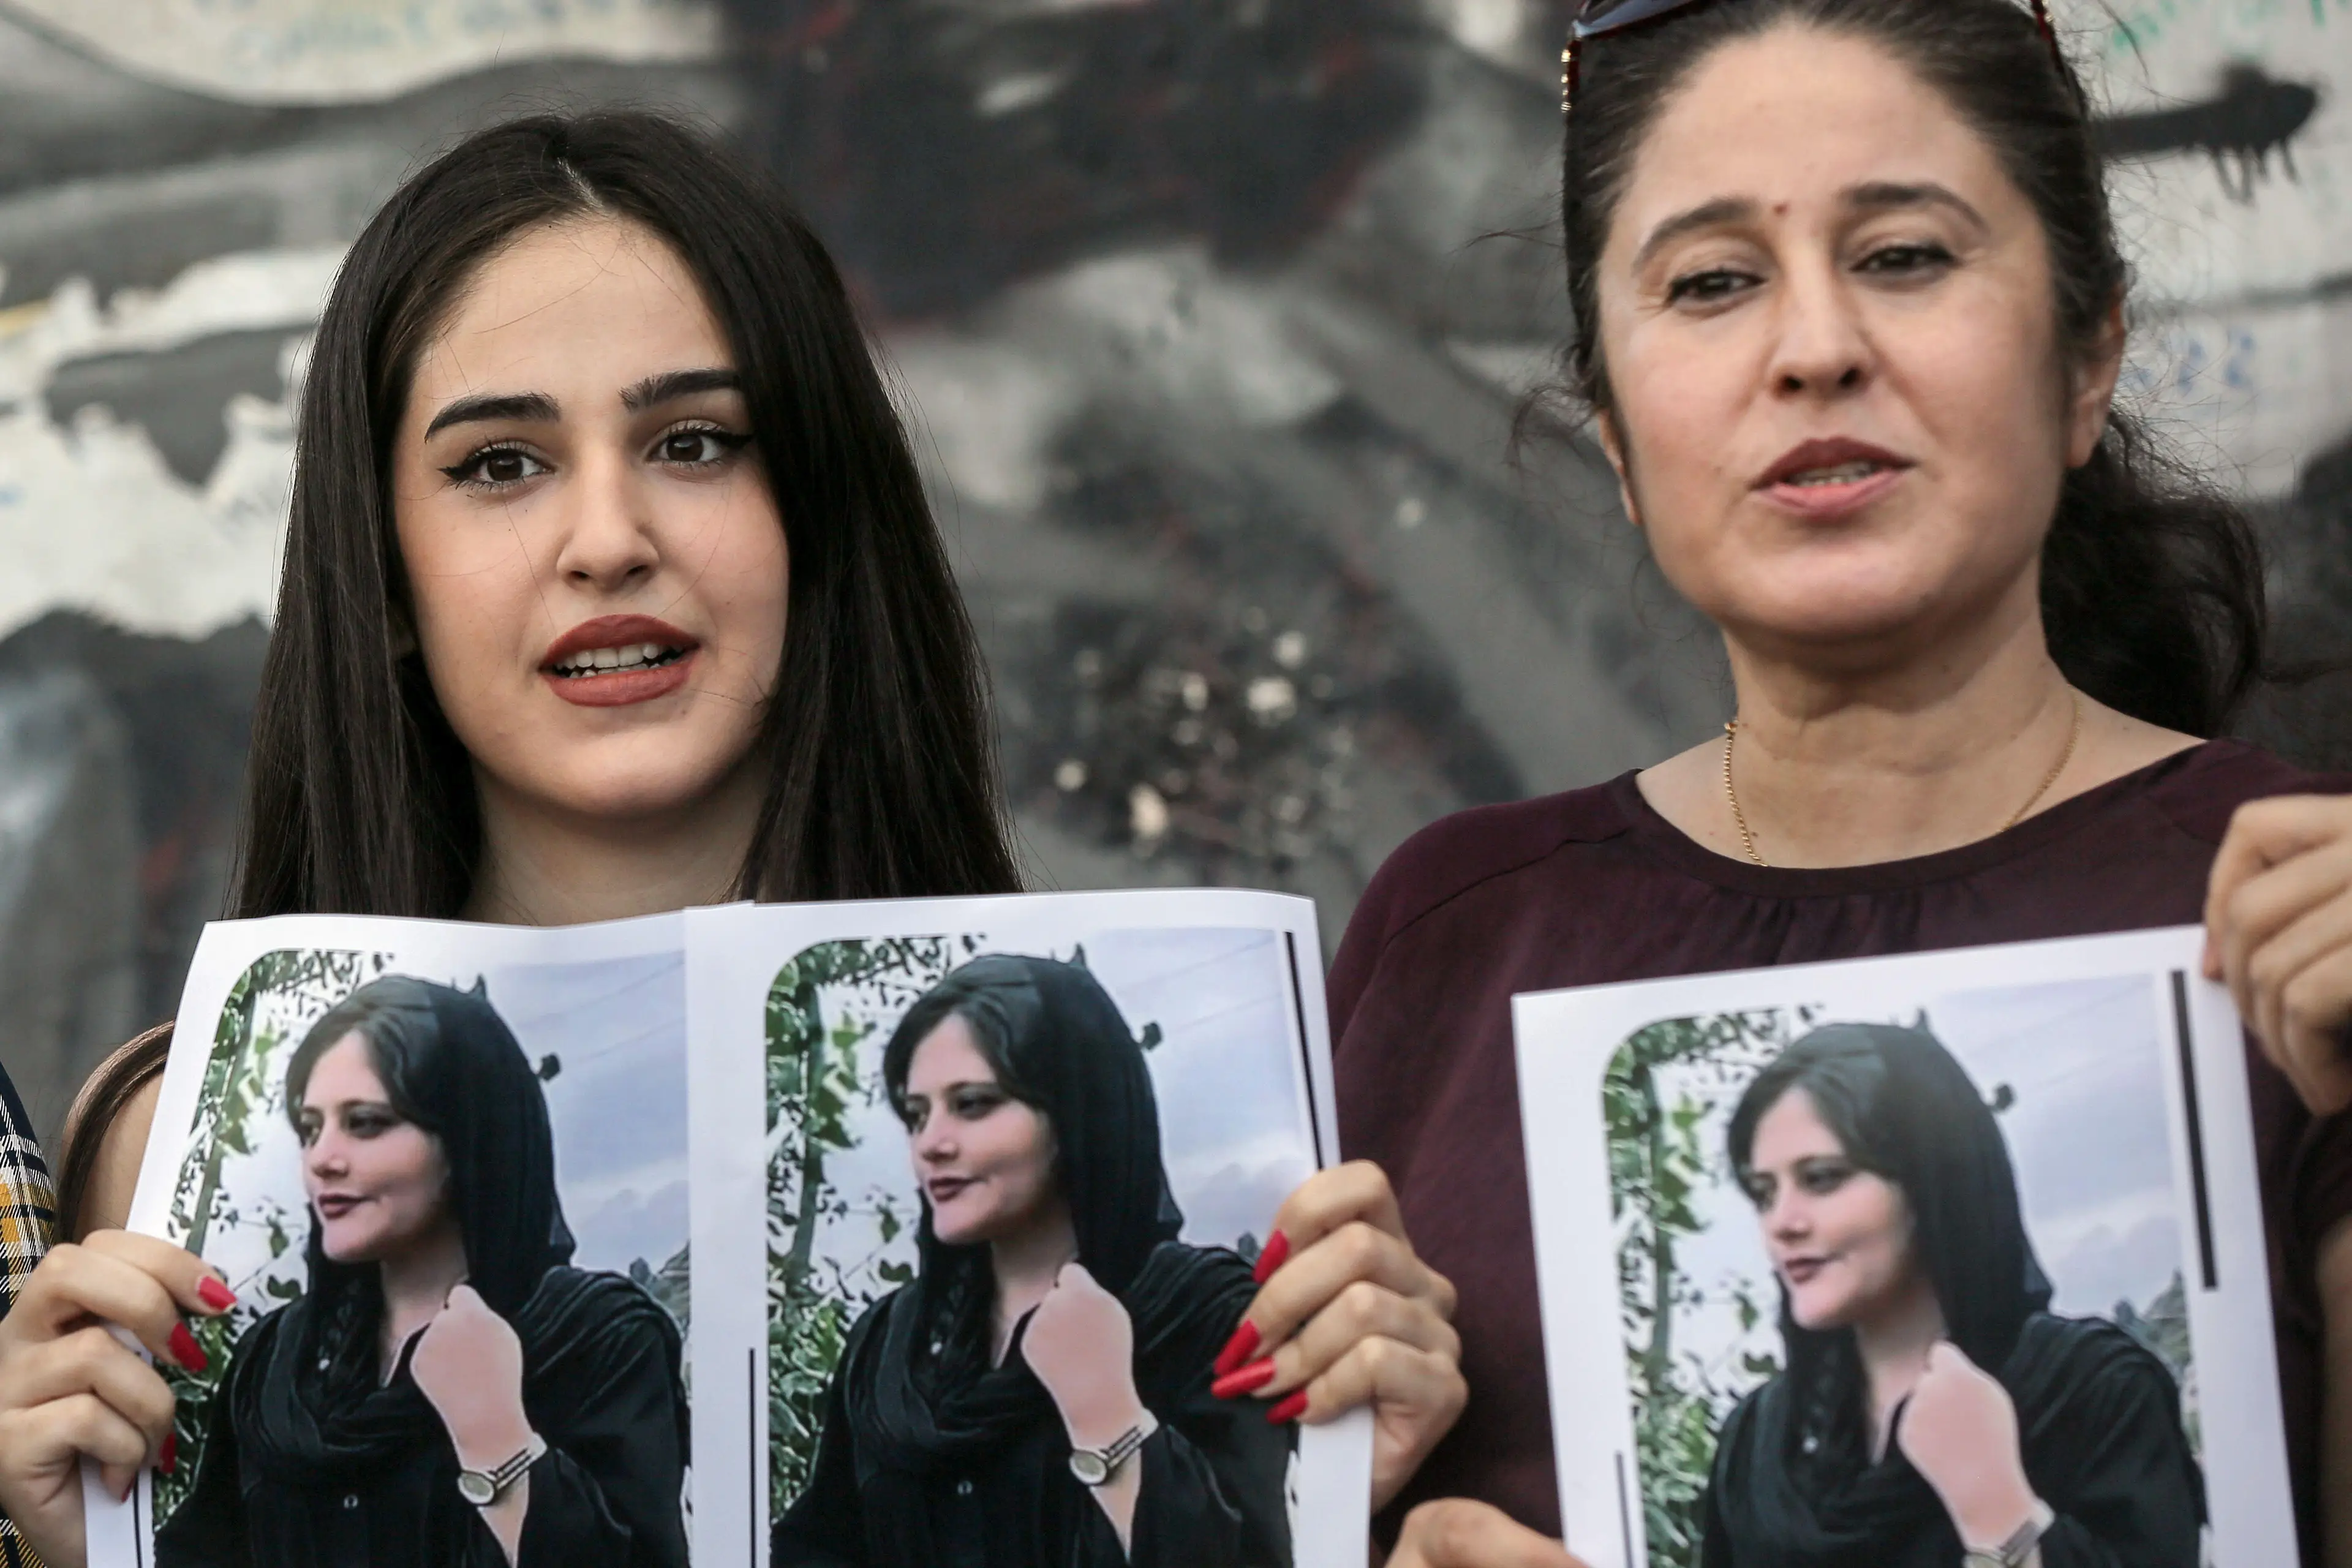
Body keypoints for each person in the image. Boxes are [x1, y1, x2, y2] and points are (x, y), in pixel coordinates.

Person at [0, 108, 1455, 1568]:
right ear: (380, 568)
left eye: (692, 441)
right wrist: (85, 1545)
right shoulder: (170, 1149)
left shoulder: (1221, 1168)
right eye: (501, 463)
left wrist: (1337, 1487)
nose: (609, 534)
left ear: (815, 511)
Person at [1312, 2, 2352, 1565]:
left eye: (1904, 256)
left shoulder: (2299, 927)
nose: (1812, 348)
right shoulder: (1450, 935)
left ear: (2086, 358)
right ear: (1611, 429)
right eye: (1711, 282)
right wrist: (1321, 1501)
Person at [774, 954, 1292, 1567]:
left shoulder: (1204, 1314)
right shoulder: (888, 1348)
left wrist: (1107, 1412)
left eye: (972, 1103)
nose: (931, 1142)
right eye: (918, 1113)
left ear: (1077, 1110)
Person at [156, 976, 687, 1568]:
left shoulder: (598, 1340)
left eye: (365, 1122)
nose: (323, 1159)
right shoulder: (278, 1362)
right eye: (311, 1128)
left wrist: (498, 1437)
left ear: (467, 1134)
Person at [1702, 1023, 2201, 1567]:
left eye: (1822, 1178)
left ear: (1930, 1179)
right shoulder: (1757, 1443)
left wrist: (2000, 1512)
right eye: (1764, 1192)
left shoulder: (2094, 1392)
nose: (1782, 1222)